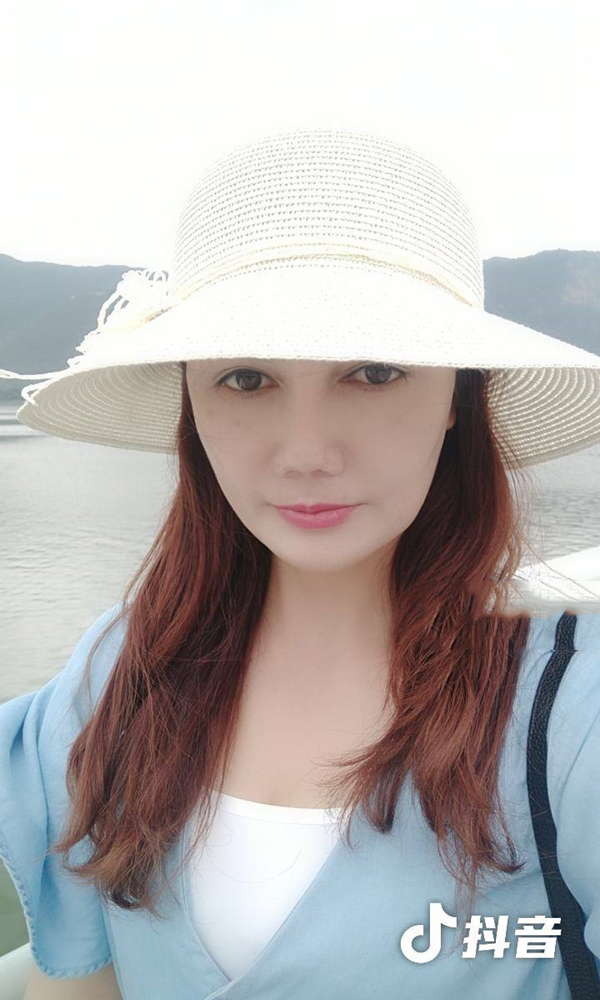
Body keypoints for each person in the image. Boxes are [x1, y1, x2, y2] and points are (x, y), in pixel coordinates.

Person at [1, 125, 600, 1000]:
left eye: (375, 372)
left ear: (457, 397)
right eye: (247, 379)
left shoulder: (568, 704)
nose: (308, 453)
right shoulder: (116, 672)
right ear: (192, 405)